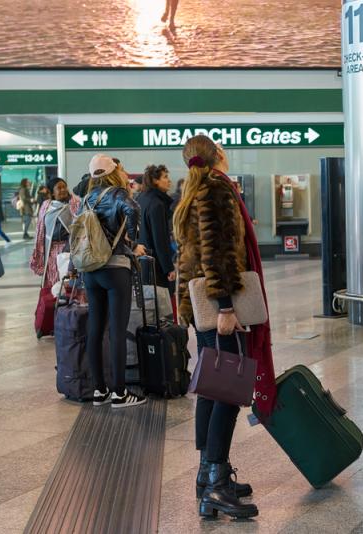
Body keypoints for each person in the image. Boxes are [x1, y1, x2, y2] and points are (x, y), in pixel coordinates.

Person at [174, 135, 275, 520]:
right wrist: (227, 306)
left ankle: (208, 476)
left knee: (214, 390)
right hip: (218, 309)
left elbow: (189, 258)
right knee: (229, 391)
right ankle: (216, 482)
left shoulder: (192, 191)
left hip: (201, 308)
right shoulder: (216, 189)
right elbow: (217, 253)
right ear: (216, 155)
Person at [80, 154, 147, 409]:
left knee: (95, 329)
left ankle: (99, 390)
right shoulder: (118, 194)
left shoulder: (87, 198)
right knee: (117, 329)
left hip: (91, 269)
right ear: (112, 171)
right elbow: (133, 208)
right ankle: (119, 393)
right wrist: (133, 239)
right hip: (115, 268)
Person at [30, 178, 80, 289]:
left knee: (68, 281)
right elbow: (40, 229)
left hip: (70, 251)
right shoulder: (46, 206)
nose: (63, 190)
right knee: (53, 279)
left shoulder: (74, 204)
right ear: (52, 192)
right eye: (59, 188)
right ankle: (53, 303)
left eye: (64, 187)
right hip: (51, 252)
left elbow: (79, 229)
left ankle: (69, 303)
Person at [136, 165, 175, 294]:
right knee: (161, 307)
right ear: (155, 180)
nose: (169, 180)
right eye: (165, 177)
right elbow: (160, 239)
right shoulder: (157, 204)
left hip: (142, 259)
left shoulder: (141, 198)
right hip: (156, 264)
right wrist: (168, 267)